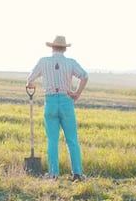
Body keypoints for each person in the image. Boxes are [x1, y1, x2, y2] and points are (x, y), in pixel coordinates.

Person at [26, 35, 89, 182]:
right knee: (72, 139)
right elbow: (85, 76)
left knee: (52, 140)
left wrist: (33, 86)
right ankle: (77, 174)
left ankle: (53, 174)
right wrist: (77, 94)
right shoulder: (71, 63)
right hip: (67, 100)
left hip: (50, 101)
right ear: (64, 49)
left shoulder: (43, 62)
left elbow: (29, 81)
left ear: (52, 47)